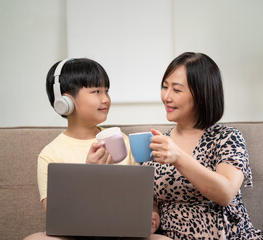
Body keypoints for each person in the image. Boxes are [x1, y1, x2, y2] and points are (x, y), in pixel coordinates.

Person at [24, 58, 170, 240]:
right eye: (96, 91)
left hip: (122, 234)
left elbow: (141, 196)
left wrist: (152, 213)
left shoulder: (122, 140)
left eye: (106, 91)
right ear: (65, 100)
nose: (105, 99)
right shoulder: (51, 154)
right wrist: (89, 174)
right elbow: (57, 217)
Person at [143, 52, 263, 239]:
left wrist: (178, 157)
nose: (166, 97)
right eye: (164, 87)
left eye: (176, 90)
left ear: (202, 94)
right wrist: (153, 215)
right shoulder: (158, 142)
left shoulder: (227, 138)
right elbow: (152, 199)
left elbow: (225, 193)